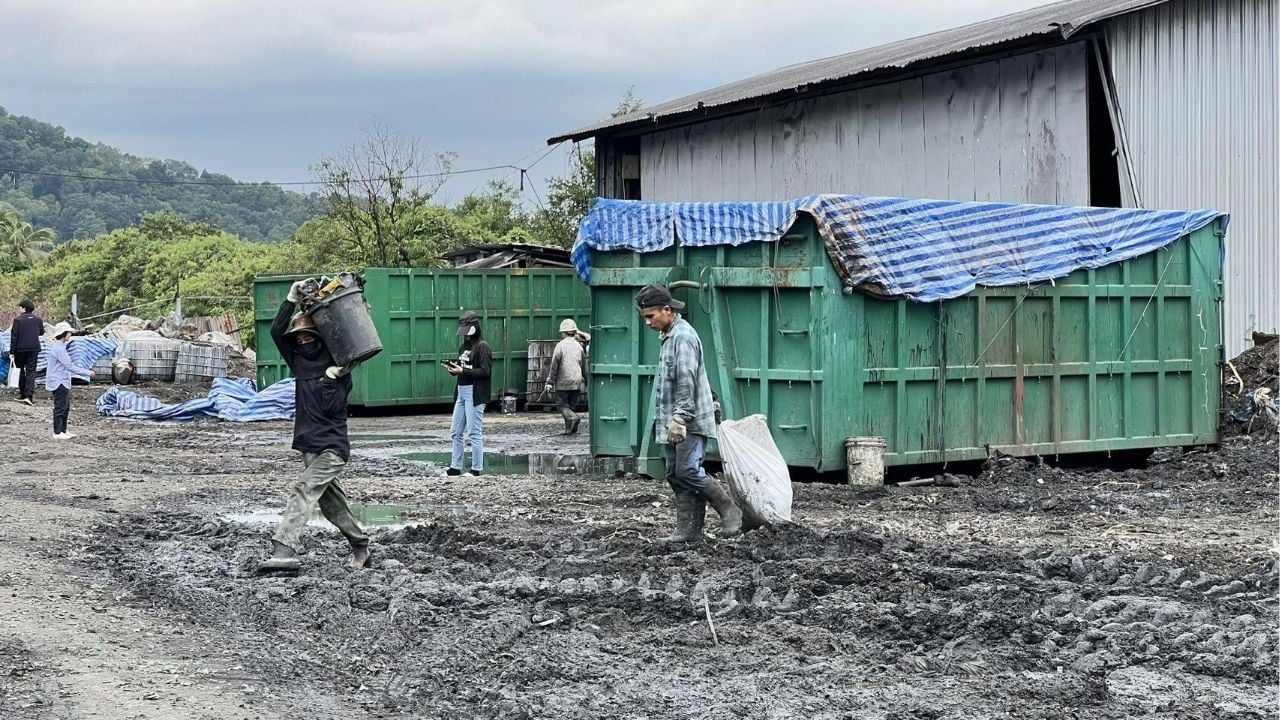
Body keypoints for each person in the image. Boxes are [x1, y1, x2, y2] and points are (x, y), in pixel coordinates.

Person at [257, 281, 370, 573]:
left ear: (319, 336)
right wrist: (290, 299)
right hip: (308, 443)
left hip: (332, 447)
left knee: (303, 490)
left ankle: (284, 549)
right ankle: (360, 545)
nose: (303, 342)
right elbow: (275, 332)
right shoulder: (297, 362)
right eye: (299, 338)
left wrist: (332, 379)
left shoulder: (339, 367)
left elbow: (333, 409)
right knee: (332, 505)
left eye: (309, 336)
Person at [636, 284, 742, 544]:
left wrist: (680, 418)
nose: (648, 322)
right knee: (675, 473)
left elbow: (686, 380)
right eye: (645, 317)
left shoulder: (682, 337)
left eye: (651, 316)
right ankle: (689, 533)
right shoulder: (670, 335)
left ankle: (730, 509)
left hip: (688, 421)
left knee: (687, 470)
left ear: (667, 310)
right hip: (676, 419)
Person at [444, 311, 492, 476]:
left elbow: (485, 371)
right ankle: (455, 467)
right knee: (456, 431)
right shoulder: (464, 346)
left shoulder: (482, 346)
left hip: (474, 392)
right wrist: (454, 370)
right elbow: (462, 368)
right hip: (461, 391)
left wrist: (462, 371)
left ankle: (476, 469)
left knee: (473, 432)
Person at [45, 322, 93, 438]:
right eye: (69, 332)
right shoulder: (59, 349)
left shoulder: (60, 347)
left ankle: (63, 430)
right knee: (60, 407)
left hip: (62, 381)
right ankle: (57, 432)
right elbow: (69, 366)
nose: (70, 334)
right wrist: (87, 372)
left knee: (65, 407)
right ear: (64, 334)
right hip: (58, 381)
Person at [544, 318, 587, 435]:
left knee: (562, 405)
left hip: (564, 382)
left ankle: (574, 418)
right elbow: (584, 365)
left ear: (563, 332)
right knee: (571, 406)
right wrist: (587, 381)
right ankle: (569, 430)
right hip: (577, 382)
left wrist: (549, 382)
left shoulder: (560, 346)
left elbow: (554, 366)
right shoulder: (579, 346)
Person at [9, 299, 43, 405]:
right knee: (31, 371)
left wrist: (12, 352)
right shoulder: (38, 320)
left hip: (20, 349)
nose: (19, 309)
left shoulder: (18, 320)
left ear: (24, 308)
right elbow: (41, 332)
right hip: (34, 348)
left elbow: (14, 337)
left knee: (20, 371)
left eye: (20, 307)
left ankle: (23, 394)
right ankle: (29, 396)